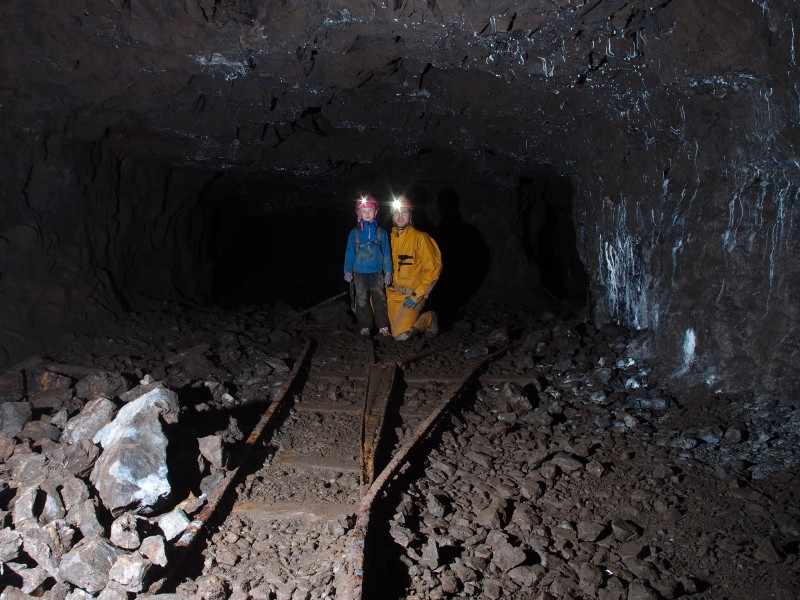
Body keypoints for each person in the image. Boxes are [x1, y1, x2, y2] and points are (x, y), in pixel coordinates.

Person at [386, 195, 443, 341]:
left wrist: (418, 295)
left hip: (411, 296)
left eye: (404, 212)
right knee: (380, 323)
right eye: (397, 212)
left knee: (402, 336)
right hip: (392, 294)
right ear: (392, 216)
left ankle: (430, 319)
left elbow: (433, 268)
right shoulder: (388, 239)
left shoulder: (420, 238)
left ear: (411, 215)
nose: (400, 216)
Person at [343, 195, 393, 336]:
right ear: (358, 213)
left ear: (375, 212)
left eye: (370, 210)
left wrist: (388, 272)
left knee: (380, 299)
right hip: (359, 273)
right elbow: (349, 253)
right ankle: (365, 326)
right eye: (363, 211)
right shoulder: (354, 233)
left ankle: (383, 326)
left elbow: (386, 254)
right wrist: (347, 271)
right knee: (361, 300)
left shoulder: (381, 233)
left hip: (377, 272)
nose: (367, 213)